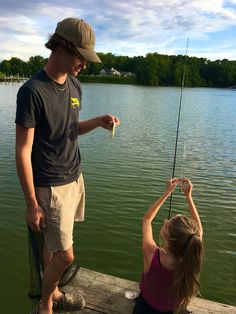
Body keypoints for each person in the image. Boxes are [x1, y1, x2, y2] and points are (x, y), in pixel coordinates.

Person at [15, 17, 120, 314]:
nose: (83, 65)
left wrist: (98, 122)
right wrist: (31, 203)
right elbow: (23, 151)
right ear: (60, 46)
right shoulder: (32, 91)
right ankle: (46, 303)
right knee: (66, 256)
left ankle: (55, 291)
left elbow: (70, 129)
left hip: (74, 178)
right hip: (50, 186)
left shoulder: (75, 85)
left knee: (52, 248)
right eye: (80, 57)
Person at [133, 178, 203, 314]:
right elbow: (198, 232)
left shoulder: (151, 254)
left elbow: (147, 220)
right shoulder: (191, 255)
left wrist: (167, 192)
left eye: (167, 224)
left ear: (167, 237)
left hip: (146, 309)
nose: (165, 220)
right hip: (174, 310)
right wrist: (188, 196)